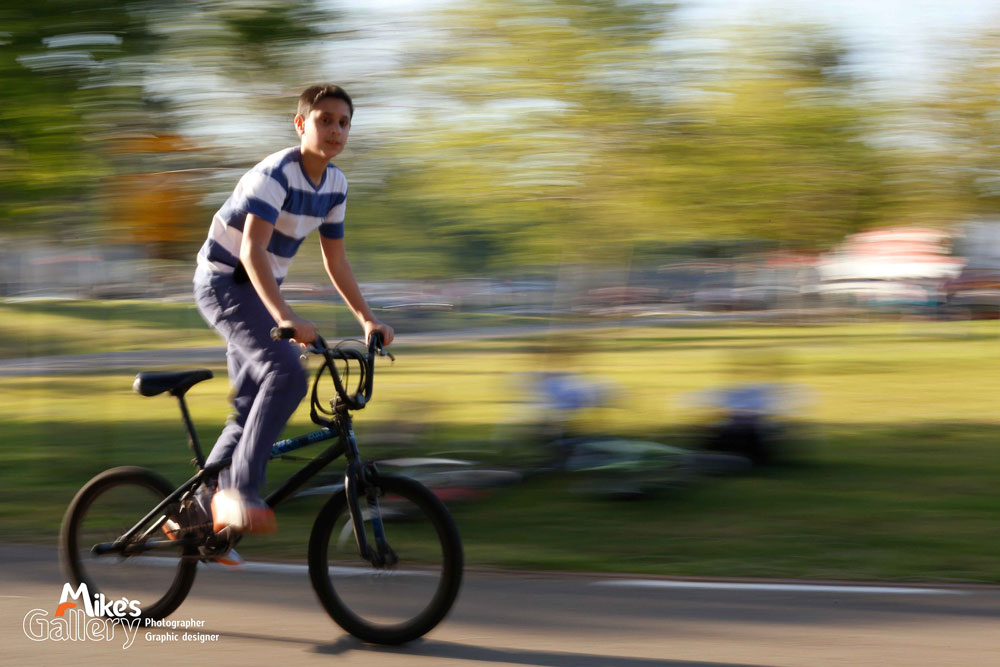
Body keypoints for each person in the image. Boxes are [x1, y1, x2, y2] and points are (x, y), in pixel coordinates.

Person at [189, 84, 394, 537]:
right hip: (225, 281)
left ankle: (198, 515)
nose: (336, 130)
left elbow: (335, 260)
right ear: (301, 124)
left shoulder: (336, 184)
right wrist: (285, 317)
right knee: (287, 375)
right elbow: (252, 251)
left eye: (344, 122)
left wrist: (367, 318)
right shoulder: (275, 174)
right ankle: (239, 490)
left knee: (248, 408)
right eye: (325, 120)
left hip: (258, 289)